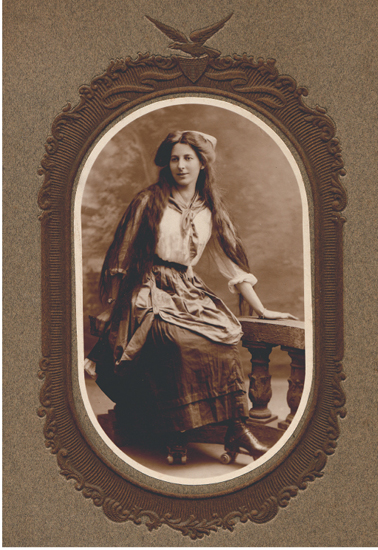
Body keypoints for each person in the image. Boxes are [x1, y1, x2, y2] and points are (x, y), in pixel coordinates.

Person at [84, 130, 297, 465]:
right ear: (167, 164)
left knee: (224, 340)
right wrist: (115, 305)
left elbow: (228, 262)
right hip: (149, 285)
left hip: (188, 288)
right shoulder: (149, 201)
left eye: (188, 158)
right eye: (174, 158)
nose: (181, 165)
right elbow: (123, 255)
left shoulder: (209, 207)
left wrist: (261, 308)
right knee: (176, 341)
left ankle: (237, 429)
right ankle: (177, 432)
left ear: (202, 163)